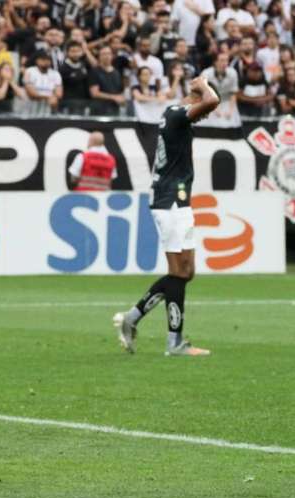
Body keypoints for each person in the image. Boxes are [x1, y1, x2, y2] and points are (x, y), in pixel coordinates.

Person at [113, 74, 219, 356]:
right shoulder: (177, 115)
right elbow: (213, 100)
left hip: (178, 198)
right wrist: (202, 84)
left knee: (186, 271)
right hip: (168, 199)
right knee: (177, 272)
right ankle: (174, 342)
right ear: (195, 99)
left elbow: (209, 103)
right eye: (202, 113)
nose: (203, 117)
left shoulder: (175, 117)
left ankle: (131, 319)